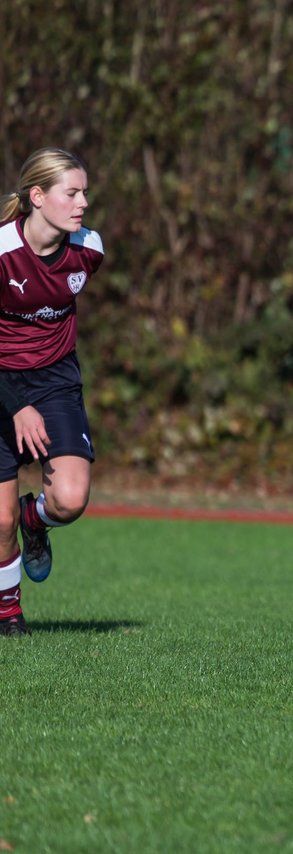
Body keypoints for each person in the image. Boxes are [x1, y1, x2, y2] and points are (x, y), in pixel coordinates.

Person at [0, 148, 105, 636]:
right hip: (2, 384)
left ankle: (34, 518)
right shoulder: (2, 253)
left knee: (69, 499)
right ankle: (8, 614)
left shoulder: (89, 251)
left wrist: (37, 397)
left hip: (57, 381)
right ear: (37, 197)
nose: (83, 201)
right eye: (73, 192)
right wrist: (17, 404)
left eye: (84, 191)